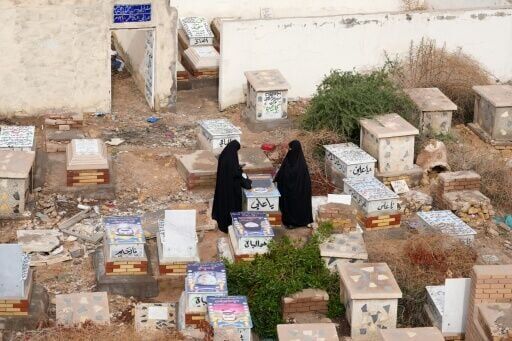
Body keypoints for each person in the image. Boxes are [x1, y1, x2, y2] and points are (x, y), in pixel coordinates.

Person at [212, 140, 252, 233]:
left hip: (223, 185)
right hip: (231, 188)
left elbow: (229, 169)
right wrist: (241, 173)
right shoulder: (231, 158)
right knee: (231, 205)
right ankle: (229, 225)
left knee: (223, 204)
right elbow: (235, 173)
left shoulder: (224, 155)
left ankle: (223, 223)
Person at [274, 140, 313, 229]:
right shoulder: (302, 164)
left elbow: (282, 175)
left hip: (289, 192)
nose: (290, 150)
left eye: (291, 148)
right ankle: (302, 221)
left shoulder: (288, 160)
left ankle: (290, 222)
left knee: (290, 205)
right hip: (299, 193)